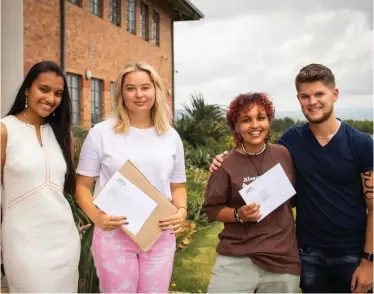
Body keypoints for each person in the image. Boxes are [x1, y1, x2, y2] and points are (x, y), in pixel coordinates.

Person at [210, 64, 373, 293]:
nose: (312, 101)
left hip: (352, 254)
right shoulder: (291, 141)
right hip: (308, 253)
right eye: (305, 96)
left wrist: (369, 261)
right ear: (299, 100)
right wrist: (225, 159)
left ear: (334, 94)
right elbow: (258, 154)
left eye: (319, 94)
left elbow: (373, 207)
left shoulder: (362, 144)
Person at [75, 62, 187, 293]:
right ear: (121, 93)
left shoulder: (170, 136)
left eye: (145, 87)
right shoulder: (101, 134)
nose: (139, 95)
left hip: (159, 233)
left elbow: (178, 186)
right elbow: (82, 187)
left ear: (155, 90)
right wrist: (97, 217)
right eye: (131, 88)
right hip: (114, 234)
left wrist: (182, 211)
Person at [203, 92, 300, 293]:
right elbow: (212, 210)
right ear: (236, 126)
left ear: (269, 121)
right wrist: (239, 214)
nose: (255, 125)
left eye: (261, 118)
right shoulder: (225, 164)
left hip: (282, 260)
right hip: (236, 258)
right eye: (246, 120)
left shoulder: (284, 154)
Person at [0, 61, 80, 292]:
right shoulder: (5, 130)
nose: (51, 98)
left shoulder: (64, 136)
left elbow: (63, 189)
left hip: (64, 241)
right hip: (23, 243)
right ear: (27, 89)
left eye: (58, 93)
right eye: (43, 89)